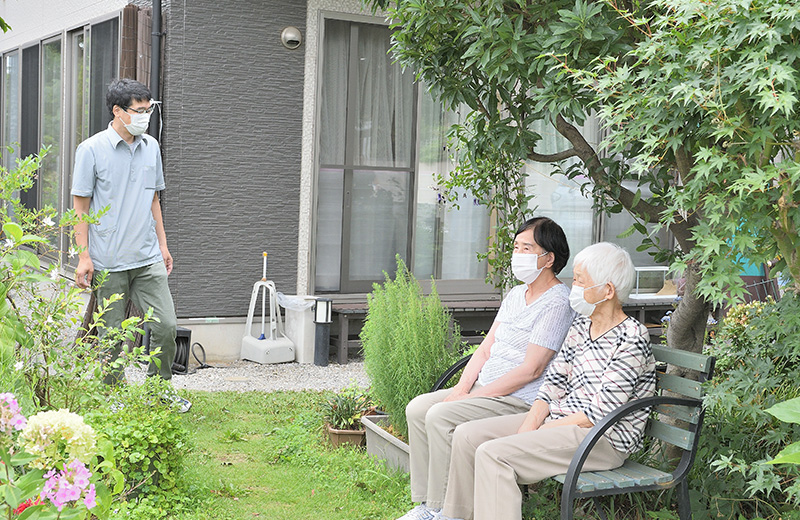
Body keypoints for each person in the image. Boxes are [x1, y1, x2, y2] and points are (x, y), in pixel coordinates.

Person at [437, 242, 657, 520]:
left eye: (579, 280)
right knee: (468, 436)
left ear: (608, 290)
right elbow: (553, 382)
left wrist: (540, 429)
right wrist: (531, 422)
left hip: (602, 439)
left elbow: (598, 414)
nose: (572, 286)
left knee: (495, 455)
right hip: (563, 423)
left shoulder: (631, 337)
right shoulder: (580, 325)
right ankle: (454, 516)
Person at [397, 217, 576, 520]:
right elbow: (484, 349)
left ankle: (445, 511)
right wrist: (462, 389)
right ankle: (428, 504)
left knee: (441, 415)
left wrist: (467, 400)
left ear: (548, 258)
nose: (517, 254)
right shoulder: (516, 294)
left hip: (516, 399)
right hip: (484, 390)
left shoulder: (558, 302)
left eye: (526, 248)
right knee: (417, 409)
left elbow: (532, 370)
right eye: (516, 247)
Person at [71, 78, 190, 413]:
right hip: (109, 261)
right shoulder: (91, 150)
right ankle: (112, 398)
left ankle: (158, 392)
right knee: (112, 339)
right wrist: (84, 256)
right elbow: (80, 208)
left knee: (166, 326)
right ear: (117, 112)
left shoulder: (151, 146)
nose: (145, 117)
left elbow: (154, 199)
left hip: (147, 258)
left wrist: (163, 245)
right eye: (138, 111)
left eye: (148, 110)